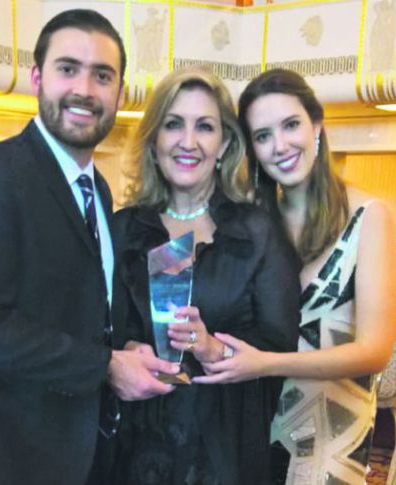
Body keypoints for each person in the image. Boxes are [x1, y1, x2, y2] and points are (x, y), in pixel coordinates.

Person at [0, 10, 180, 485]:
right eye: (68, 69)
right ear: (37, 78)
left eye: (102, 76)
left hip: (89, 452)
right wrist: (106, 365)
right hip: (10, 460)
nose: (84, 89)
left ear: (120, 94)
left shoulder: (99, 190)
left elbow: (81, 306)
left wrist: (122, 345)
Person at [193, 69, 396, 485]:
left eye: (291, 125)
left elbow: (375, 350)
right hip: (256, 430)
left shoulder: (368, 216)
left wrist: (266, 364)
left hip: (332, 441)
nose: (280, 145)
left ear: (316, 126)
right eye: (263, 135)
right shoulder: (253, 224)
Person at [109, 68, 302, 485]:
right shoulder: (122, 230)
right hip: (131, 449)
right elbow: (91, 332)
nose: (188, 141)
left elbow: (280, 348)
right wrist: (123, 348)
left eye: (205, 127)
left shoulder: (257, 233)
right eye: (173, 124)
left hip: (221, 451)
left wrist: (214, 348)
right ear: (154, 140)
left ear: (225, 144)